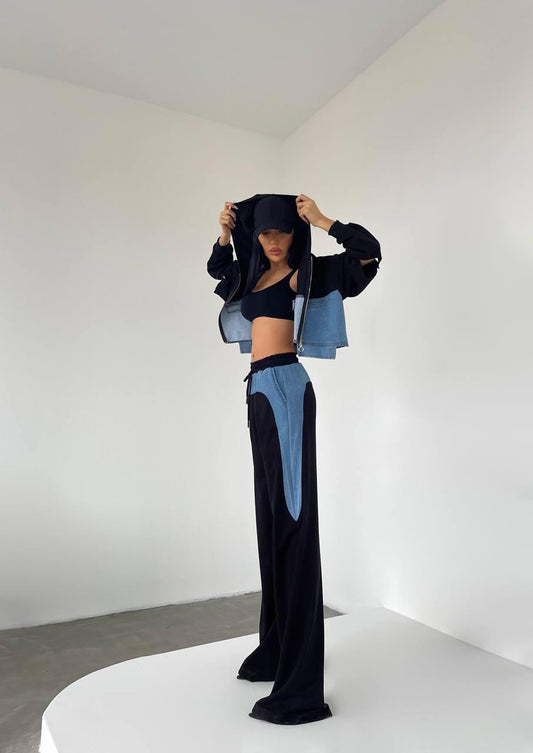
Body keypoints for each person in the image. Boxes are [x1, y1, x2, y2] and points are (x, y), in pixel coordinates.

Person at [207, 193, 381, 725]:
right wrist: (224, 233)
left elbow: (368, 253)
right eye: (264, 233)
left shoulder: (306, 273)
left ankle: (301, 689)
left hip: (285, 387)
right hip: (258, 391)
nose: (273, 241)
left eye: (282, 232)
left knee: (294, 524)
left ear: (295, 233)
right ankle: (276, 649)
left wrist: (324, 220)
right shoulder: (253, 275)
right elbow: (217, 271)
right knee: (270, 523)